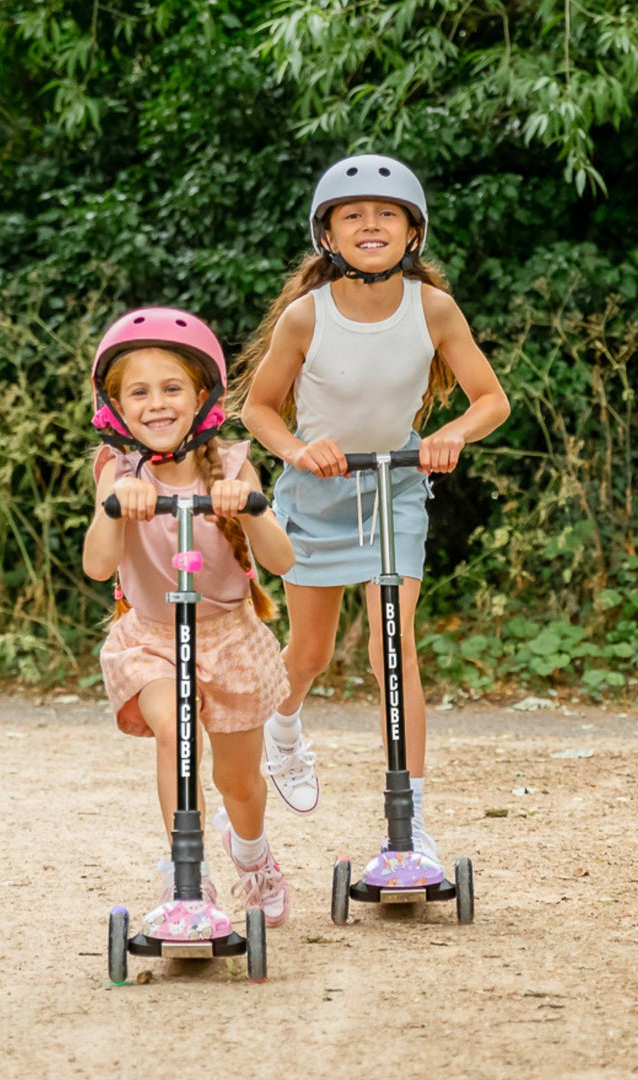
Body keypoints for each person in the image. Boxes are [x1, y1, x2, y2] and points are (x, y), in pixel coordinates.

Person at [235, 153, 511, 863]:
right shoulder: (306, 316)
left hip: (394, 486)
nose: (370, 224)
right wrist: (298, 451)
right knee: (312, 652)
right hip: (317, 492)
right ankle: (285, 729)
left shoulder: (433, 308)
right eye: (352, 214)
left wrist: (449, 434)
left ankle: (410, 818)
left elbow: (492, 400)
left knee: (393, 646)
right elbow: (257, 408)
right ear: (327, 234)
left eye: (386, 214)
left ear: (412, 234)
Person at [83, 307, 295, 926]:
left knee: (240, 783)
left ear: (201, 396)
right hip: (151, 639)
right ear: (116, 406)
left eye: (171, 388)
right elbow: (99, 566)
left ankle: (252, 857)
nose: (155, 403)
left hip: (229, 638)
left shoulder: (230, 464)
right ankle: (188, 875)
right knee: (176, 727)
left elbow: (280, 559)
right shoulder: (116, 469)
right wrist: (115, 510)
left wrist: (251, 506)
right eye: (138, 392)